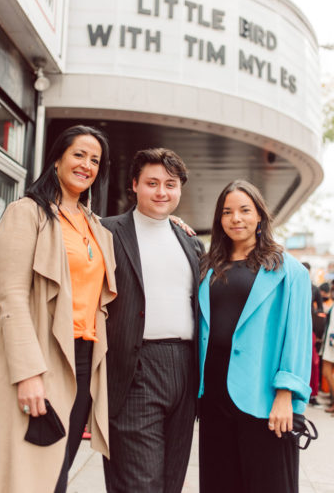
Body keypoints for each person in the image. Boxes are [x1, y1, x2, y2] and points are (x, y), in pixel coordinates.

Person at [0, 125, 117, 493]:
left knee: (56, 475)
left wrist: (172, 222)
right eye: (79, 155)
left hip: (83, 360)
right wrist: (28, 374)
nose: (86, 165)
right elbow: (11, 296)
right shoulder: (27, 213)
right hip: (39, 358)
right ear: (57, 159)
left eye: (95, 160)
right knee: (28, 477)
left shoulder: (97, 228)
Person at [198, 179, 312, 493]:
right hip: (214, 397)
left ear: (259, 215)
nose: (237, 218)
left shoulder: (289, 271)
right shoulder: (208, 268)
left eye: (245, 210)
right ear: (219, 220)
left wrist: (286, 394)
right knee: (219, 483)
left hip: (263, 398)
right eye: (227, 212)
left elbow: (298, 337)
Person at [101, 148, 203, 493]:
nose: (162, 192)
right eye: (152, 183)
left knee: (170, 480)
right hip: (134, 367)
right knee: (138, 483)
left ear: (179, 189)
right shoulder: (106, 232)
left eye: (170, 184)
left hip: (185, 370)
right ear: (134, 185)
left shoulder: (189, 242)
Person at [302, 262, 325, 407]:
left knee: (313, 362)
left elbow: (321, 309)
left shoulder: (314, 289)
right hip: (292, 325)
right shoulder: (291, 283)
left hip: (308, 328)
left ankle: (312, 395)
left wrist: (314, 316)